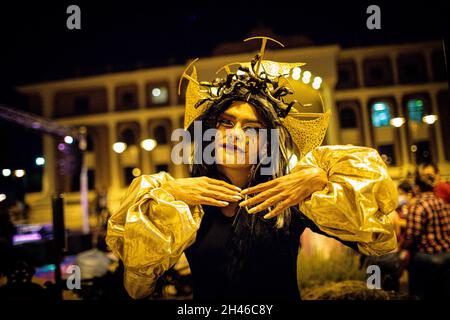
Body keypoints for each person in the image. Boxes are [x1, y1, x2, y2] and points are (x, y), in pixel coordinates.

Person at [106, 37, 398, 300]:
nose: (235, 134)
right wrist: (167, 192)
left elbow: (380, 239)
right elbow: (137, 285)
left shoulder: (288, 198)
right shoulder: (187, 203)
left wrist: (321, 178)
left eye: (252, 128)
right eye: (226, 122)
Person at [402, 167, 450, 299]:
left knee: (422, 294)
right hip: (447, 255)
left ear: (417, 188)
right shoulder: (442, 203)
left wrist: (402, 247)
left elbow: (412, 235)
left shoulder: (418, 206)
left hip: (426, 259)